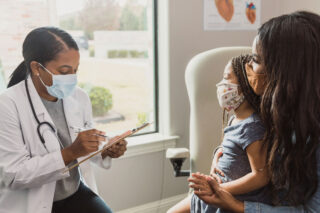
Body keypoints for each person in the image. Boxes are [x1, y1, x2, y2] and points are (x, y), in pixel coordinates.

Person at [190, 11, 320, 212]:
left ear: (285, 71)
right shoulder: (274, 109)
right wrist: (220, 156)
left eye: (256, 60)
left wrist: (236, 205)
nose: (248, 66)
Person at [0, 27, 127, 213]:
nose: (72, 79)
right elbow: (14, 175)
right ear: (36, 68)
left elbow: (85, 144)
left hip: (74, 193)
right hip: (30, 203)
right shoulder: (8, 105)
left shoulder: (79, 97)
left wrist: (106, 150)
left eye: (75, 70)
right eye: (64, 71)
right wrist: (70, 152)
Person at [168, 55, 269, 213]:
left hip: (230, 197)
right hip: (216, 191)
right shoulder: (235, 119)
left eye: (227, 78)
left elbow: (261, 176)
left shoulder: (252, 127)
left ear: (245, 85)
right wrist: (217, 155)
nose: (221, 85)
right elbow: (231, 148)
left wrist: (218, 189)